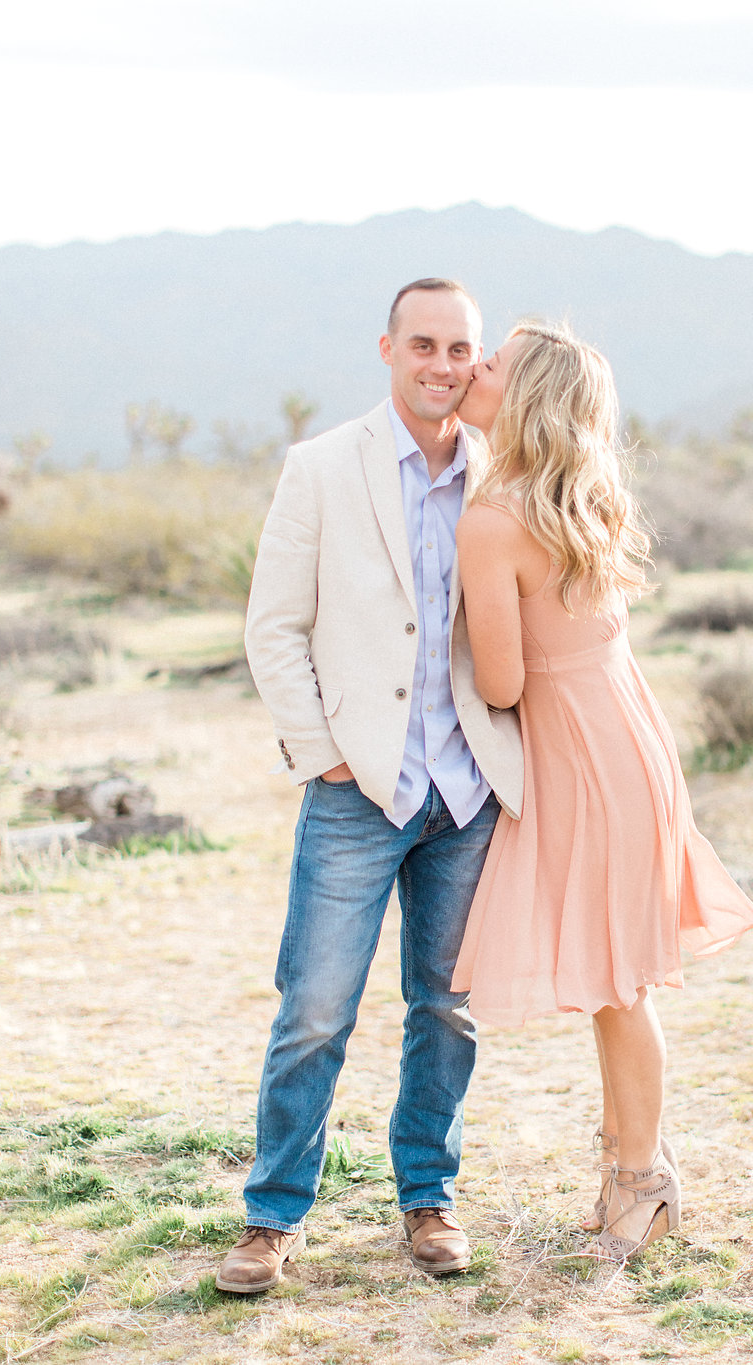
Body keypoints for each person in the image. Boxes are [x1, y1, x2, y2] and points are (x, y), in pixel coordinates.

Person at [217, 279, 523, 1294]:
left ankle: (428, 1200)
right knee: (313, 1009)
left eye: (460, 350)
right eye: (423, 344)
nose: (442, 364)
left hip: (466, 794)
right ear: (387, 348)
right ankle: (272, 1218)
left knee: (449, 1010)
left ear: (477, 363)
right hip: (357, 790)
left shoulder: (502, 474)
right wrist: (327, 753)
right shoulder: (320, 467)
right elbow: (273, 626)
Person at [449, 322, 753, 1263]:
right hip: (630, 736)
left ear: (525, 395)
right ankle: (629, 1167)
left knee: (619, 985)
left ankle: (645, 1180)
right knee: (612, 980)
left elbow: (502, 685)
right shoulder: (581, 498)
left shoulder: (492, 519)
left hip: (581, 755)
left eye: (492, 363)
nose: (473, 368)